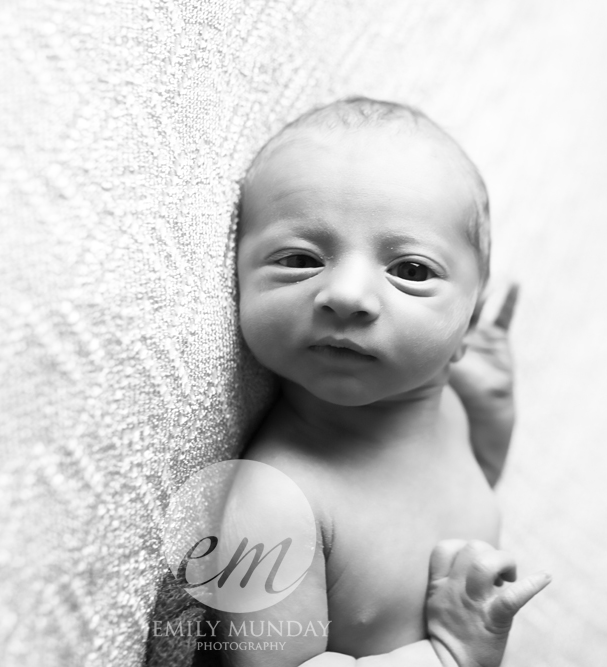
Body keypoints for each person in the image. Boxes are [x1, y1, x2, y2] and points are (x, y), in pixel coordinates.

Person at [221, 97, 550, 666]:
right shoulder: (274, 504)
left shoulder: (451, 413)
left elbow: (466, 498)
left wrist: (493, 413)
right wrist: (451, 656)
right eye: (300, 259)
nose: (346, 295)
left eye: (411, 271)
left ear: (471, 313)